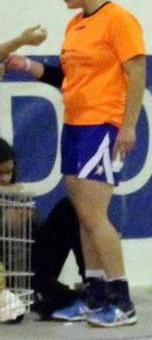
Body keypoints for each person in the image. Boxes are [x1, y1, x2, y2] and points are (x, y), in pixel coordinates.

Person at [5, 0, 146, 327]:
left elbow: (136, 72)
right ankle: (95, 294)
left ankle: (122, 299)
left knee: (96, 217)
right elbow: (69, 79)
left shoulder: (118, 20)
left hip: (103, 126)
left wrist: (128, 125)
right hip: (75, 125)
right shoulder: (76, 25)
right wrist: (27, 65)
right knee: (83, 217)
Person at [0, 137, 86, 321]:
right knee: (22, 307)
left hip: (32, 267)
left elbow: (39, 234)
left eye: (8, 172)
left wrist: (29, 216)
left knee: (69, 207)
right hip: (6, 277)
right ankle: (56, 298)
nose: (5, 179)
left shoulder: (16, 193)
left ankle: (90, 285)